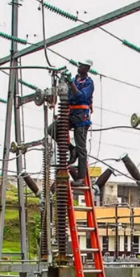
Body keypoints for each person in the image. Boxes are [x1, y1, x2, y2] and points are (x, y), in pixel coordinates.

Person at [48, 59, 94, 187]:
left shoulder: (89, 83)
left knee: (81, 148)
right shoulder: (74, 80)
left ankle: (80, 178)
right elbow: (68, 97)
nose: (79, 67)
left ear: (87, 68)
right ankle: (71, 148)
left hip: (82, 117)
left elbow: (81, 97)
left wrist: (70, 84)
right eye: (79, 65)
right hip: (71, 114)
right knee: (51, 129)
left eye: (82, 66)